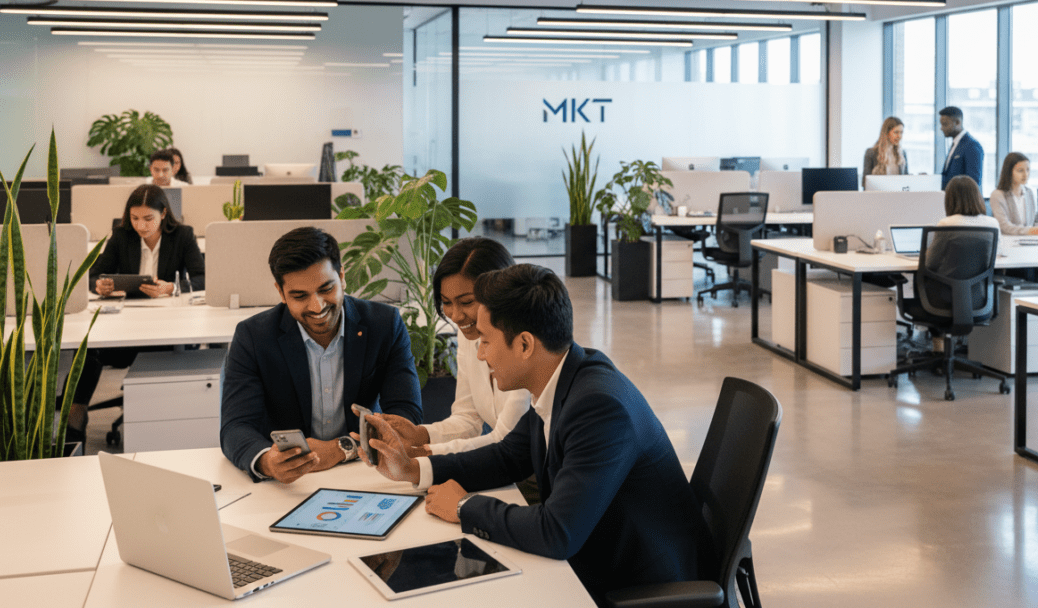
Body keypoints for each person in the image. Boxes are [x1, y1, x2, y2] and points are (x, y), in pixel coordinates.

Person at [357, 264, 715, 604]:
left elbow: (558, 532)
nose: (480, 354)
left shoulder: (598, 408)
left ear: (525, 345)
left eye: (485, 340)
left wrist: (465, 507)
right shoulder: (569, 378)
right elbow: (506, 455)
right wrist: (412, 469)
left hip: (635, 582)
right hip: (598, 553)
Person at [220, 226, 422, 484]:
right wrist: (267, 462)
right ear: (281, 293)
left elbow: (406, 415)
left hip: (363, 472)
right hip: (289, 482)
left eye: (326, 289)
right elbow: (235, 427)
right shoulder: (253, 337)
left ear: (342, 277)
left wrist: (342, 448)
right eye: (300, 296)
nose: (317, 306)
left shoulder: (384, 325)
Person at [70, 184, 206, 443]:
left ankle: (160, 418)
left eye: (148, 218)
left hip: (170, 328)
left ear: (163, 214)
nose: (141, 225)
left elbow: (204, 276)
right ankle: (76, 413)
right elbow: (94, 274)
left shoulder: (183, 235)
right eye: (134, 218)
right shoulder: (122, 236)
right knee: (87, 348)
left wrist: (172, 288)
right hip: (127, 325)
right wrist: (99, 285)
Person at [382, 237, 530, 458]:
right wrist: (419, 434)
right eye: (447, 302)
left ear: (503, 293)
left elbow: (506, 440)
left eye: (467, 302)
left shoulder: (524, 345)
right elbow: (468, 417)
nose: (456, 316)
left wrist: (423, 453)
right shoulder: (470, 336)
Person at [990, 152, 1038, 236]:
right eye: (1020, 171)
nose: (1025, 175)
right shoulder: (998, 195)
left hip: (1030, 242)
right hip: (1008, 243)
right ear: (1009, 172)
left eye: (1028, 170)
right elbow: (1004, 227)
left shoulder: (1029, 193)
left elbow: (1034, 222)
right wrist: (1031, 231)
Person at [938, 106, 984, 189]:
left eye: (945, 124)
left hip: (963, 201)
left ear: (957, 122)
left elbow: (973, 182)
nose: (941, 128)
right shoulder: (955, 144)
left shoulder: (971, 146)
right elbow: (948, 176)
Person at [863, 116, 908, 187]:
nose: (899, 136)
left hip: (898, 195)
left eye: (901, 132)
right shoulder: (871, 153)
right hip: (879, 195)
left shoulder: (902, 154)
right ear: (886, 133)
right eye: (896, 132)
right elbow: (865, 182)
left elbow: (906, 181)